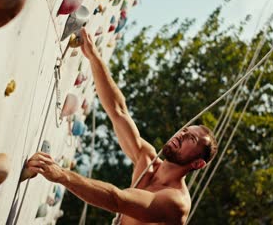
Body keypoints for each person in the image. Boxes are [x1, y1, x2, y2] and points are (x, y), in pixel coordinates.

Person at [26, 28, 218, 225]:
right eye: (185, 130)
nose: (182, 134)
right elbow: (118, 112)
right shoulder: (147, 159)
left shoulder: (176, 202)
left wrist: (63, 176)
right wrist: (93, 56)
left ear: (197, 164)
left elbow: (117, 200)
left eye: (191, 139)